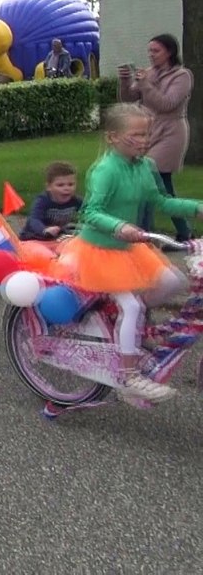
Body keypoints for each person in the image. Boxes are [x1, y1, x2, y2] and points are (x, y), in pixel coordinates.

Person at [58, 103, 203, 402]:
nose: (144, 140)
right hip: (99, 249)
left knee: (172, 282)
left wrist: (197, 208)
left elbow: (161, 202)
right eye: (136, 134)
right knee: (133, 306)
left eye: (146, 134)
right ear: (113, 137)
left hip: (129, 248)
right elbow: (91, 212)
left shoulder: (145, 166)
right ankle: (128, 377)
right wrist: (120, 226)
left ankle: (131, 330)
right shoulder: (105, 171)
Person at [119, 33, 194, 241]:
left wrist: (145, 85)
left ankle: (144, 232)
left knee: (148, 178)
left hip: (171, 132)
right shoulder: (149, 73)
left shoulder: (182, 76)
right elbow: (128, 99)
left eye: (156, 51)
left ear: (169, 52)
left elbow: (167, 104)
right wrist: (125, 81)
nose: (151, 55)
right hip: (149, 131)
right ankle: (184, 231)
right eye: (149, 51)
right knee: (163, 186)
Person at [20, 161, 82, 241]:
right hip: (33, 238)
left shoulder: (75, 200)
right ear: (49, 187)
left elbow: (90, 211)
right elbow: (34, 219)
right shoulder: (43, 201)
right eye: (60, 185)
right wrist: (44, 230)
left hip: (57, 238)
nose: (67, 188)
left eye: (71, 184)